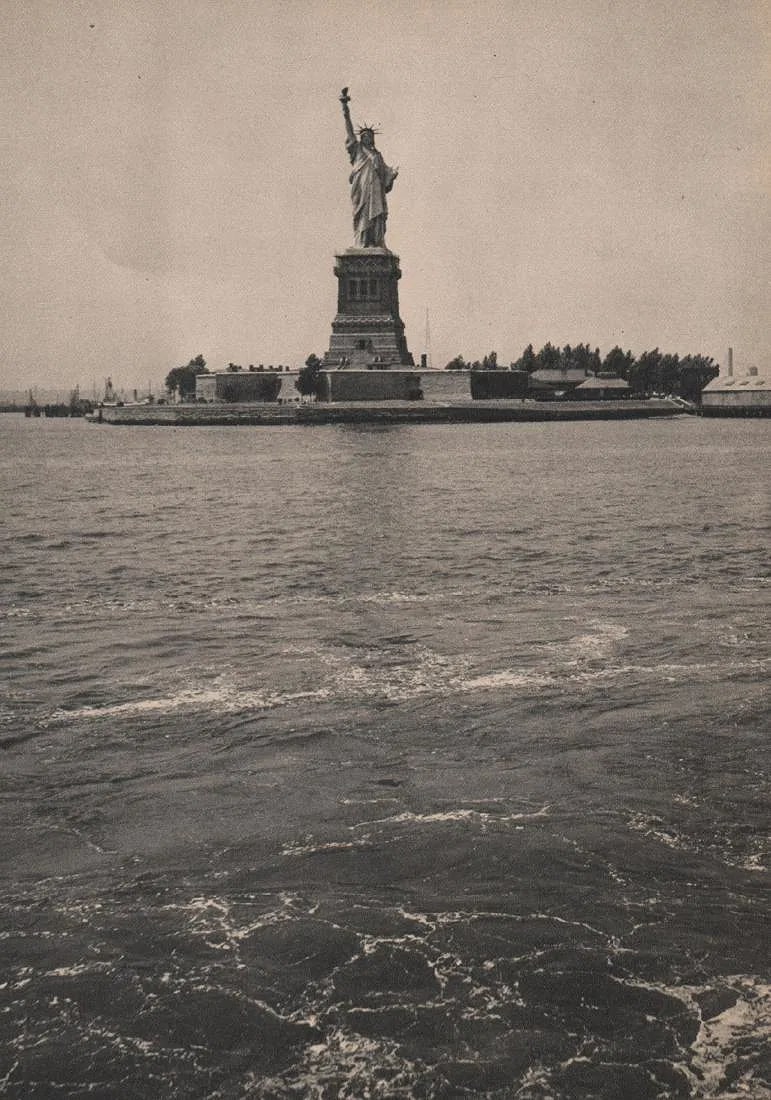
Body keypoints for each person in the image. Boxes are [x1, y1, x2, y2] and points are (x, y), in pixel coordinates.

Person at [340, 88, 398, 248]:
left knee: (376, 216)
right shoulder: (357, 149)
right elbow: (349, 131)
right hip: (361, 189)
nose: (368, 138)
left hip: (376, 191)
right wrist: (345, 108)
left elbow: (386, 175)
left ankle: (375, 241)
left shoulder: (377, 155)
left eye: (370, 136)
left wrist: (392, 175)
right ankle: (362, 242)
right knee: (362, 215)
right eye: (365, 136)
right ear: (361, 138)